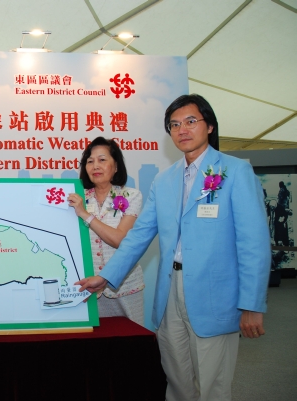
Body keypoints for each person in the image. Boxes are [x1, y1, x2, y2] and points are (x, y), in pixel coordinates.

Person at [76, 94, 270, 401]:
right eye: (174, 124)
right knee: (176, 379)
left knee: (213, 385)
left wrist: (252, 304)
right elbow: (139, 236)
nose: (182, 130)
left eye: (191, 121)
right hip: (170, 294)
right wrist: (106, 277)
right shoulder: (164, 181)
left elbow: (254, 243)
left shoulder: (234, 171)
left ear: (209, 126)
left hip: (215, 295)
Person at [67, 137, 144, 325]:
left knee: (131, 342)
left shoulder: (131, 195)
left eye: (102, 160)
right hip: (89, 286)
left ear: (116, 166)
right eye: (90, 161)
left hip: (125, 286)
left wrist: (85, 215)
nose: (95, 166)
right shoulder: (78, 199)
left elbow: (120, 239)